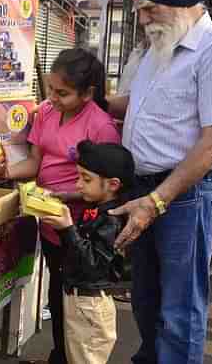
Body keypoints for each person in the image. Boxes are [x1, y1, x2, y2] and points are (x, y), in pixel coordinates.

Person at [108, 0, 212, 363]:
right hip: (148, 190)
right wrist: (86, 98)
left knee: (180, 311)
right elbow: (134, 104)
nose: (143, 19)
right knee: (147, 302)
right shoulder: (160, 48)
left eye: (150, 8)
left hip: (185, 196)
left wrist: (155, 202)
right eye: (139, 9)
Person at [0, 48, 121, 364]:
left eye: (63, 93)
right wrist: (7, 172)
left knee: (75, 305)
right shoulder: (45, 112)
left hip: (80, 229)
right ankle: (59, 355)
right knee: (56, 295)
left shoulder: (101, 127)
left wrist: (59, 196)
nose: (53, 98)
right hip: (48, 221)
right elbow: (34, 162)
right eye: (51, 90)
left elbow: (104, 187)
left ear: (88, 94)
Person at [41, 140, 133, 364]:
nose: (78, 185)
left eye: (86, 179)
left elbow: (92, 264)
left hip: (90, 306)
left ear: (112, 184)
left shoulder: (111, 221)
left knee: (85, 357)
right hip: (80, 301)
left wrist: (67, 230)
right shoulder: (95, 209)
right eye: (78, 177)